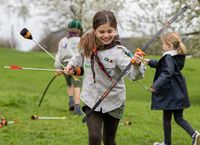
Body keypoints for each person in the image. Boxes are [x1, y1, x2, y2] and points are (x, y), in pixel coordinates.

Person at [65, 10, 145, 145]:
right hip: (92, 99)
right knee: (94, 137)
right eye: (101, 32)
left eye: (110, 31)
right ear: (95, 31)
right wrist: (70, 66)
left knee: (108, 140)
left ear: (116, 30)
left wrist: (136, 65)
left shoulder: (119, 53)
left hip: (114, 102)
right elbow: (78, 57)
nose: (106, 35)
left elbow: (133, 76)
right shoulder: (88, 45)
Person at [144, 32, 200, 145]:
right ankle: (195, 135)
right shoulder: (175, 56)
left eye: (163, 44)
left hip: (170, 95)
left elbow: (167, 72)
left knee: (167, 119)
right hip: (178, 93)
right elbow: (165, 66)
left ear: (169, 45)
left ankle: (167, 143)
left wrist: (156, 86)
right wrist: (150, 62)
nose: (162, 46)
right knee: (179, 118)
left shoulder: (168, 57)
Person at [55, 19, 83, 115]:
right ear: (79, 30)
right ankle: (77, 107)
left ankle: (71, 100)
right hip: (75, 66)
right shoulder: (81, 41)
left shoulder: (63, 41)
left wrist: (58, 67)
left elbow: (58, 55)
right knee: (77, 85)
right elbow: (81, 55)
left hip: (63, 65)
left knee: (69, 84)